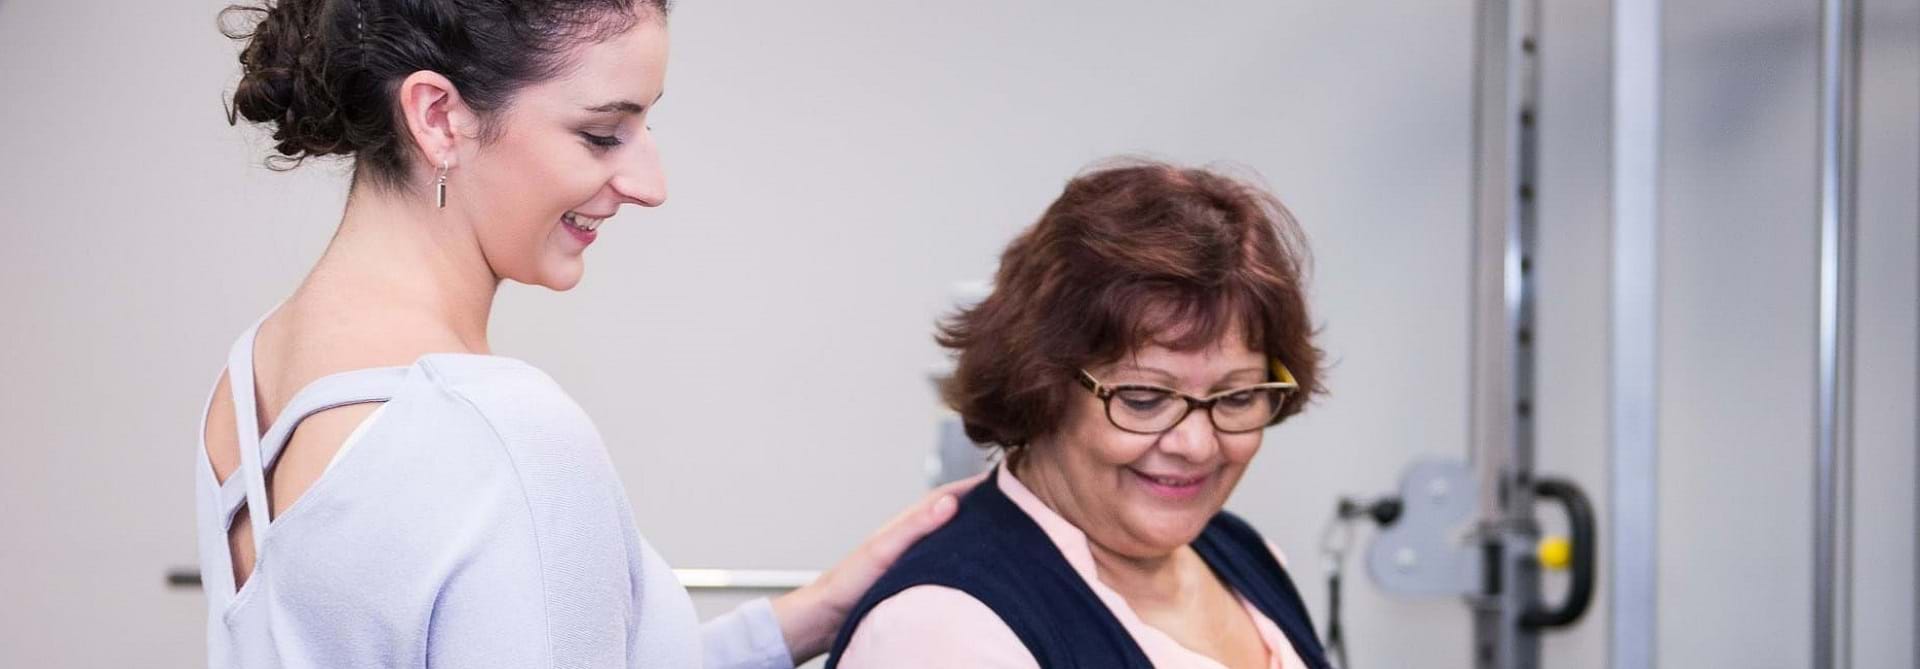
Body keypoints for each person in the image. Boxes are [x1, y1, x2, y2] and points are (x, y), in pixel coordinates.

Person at [194, 1, 964, 666]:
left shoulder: (252, 374)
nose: (651, 185)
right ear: (437, 117)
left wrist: (811, 616)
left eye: (645, 124)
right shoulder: (504, 435)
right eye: (602, 133)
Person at [828, 160, 1334, 668]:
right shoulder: (943, 630)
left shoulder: (1240, 554)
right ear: (1041, 386)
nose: (1198, 445)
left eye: (1237, 397)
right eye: (1144, 399)